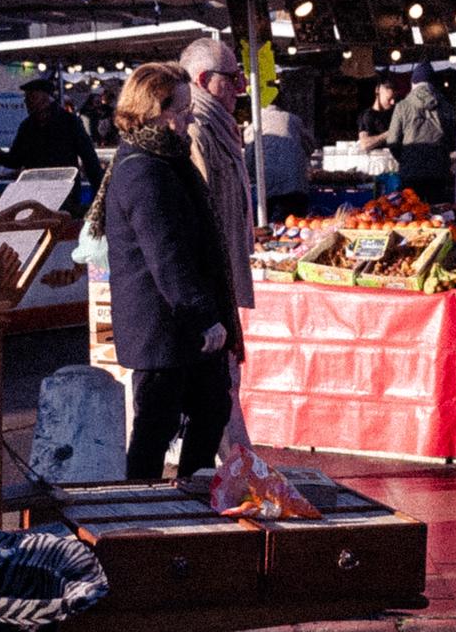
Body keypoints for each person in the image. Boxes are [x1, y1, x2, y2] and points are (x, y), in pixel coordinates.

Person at [86, 62, 237, 479]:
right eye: (182, 110)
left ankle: (190, 490)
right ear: (154, 111)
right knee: (157, 427)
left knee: (210, 408)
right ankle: (142, 504)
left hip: (174, 326)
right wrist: (203, 316)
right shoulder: (144, 169)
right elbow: (166, 254)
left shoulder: (164, 159)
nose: (189, 118)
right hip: (162, 328)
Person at [178, 37, 255, 459]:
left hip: (222, 274)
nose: (240, 88)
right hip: (211, 280)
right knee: (217, 383)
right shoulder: (198, 130)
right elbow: (202, 218)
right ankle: (235, 465)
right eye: (232, 78)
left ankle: (234, 463)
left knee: (223, 380)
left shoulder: (219, 128)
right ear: (205, 79)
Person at [0, 77, 103, 213]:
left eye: (31, 97)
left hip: (63, 192)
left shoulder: (69, 122)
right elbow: (15, 160)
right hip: (36, 193)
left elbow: (89, 159)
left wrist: (99, 192)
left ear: (46, 99)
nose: (26, 102)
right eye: (26, 98)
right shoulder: (27, 126)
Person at [386, 61, 455, 204]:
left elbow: (392, 140)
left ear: (413, 83)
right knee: (438, 212)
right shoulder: (446, 106)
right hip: (439, 170)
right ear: (432, 83)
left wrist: (406, 157)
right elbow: (454, 140)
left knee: (410, 212)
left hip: (410, 171)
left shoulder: (402, 106)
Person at [243, 90, 315, 225]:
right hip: (295, 184)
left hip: (268, 187)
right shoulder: (293, 120)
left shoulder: (253, 128)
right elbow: (310, 146)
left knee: (267, 226)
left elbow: (249, 163)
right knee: (297, 225)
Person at [357, 78, 396, 151]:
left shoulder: (396, 113)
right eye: (389, 99)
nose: (393, 102)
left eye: (394, 98)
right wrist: (388, 134)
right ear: (378, 90)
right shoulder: (366, 115)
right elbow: (365, 144)